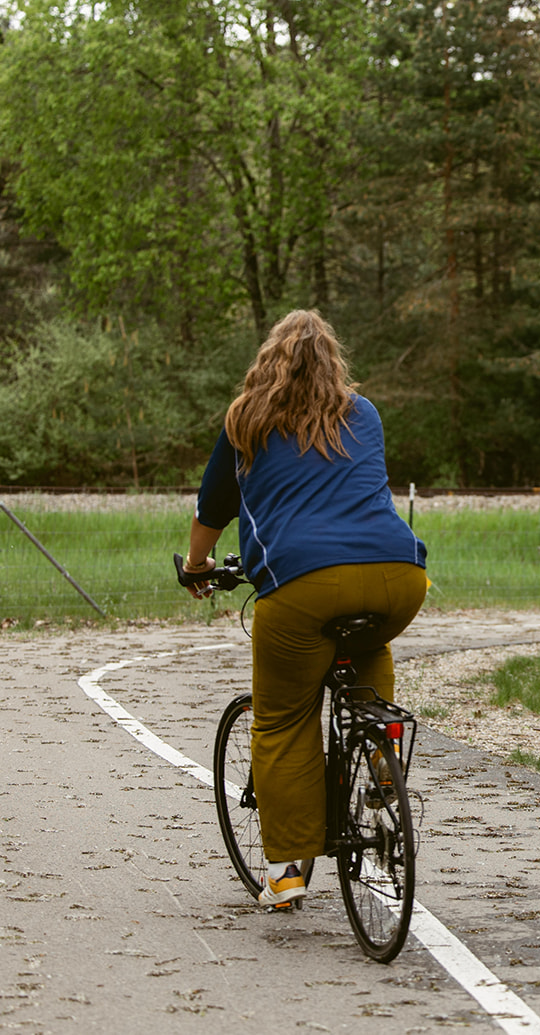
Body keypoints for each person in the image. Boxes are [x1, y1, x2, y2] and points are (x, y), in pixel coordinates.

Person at [181, 309, 428, 907]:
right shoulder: (362, 414)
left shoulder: (247, 419)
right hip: (400, 575)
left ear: (269, 360)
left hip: (301, 584)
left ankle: (287, 872)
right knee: (369, 645)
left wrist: (195, 568)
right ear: (333, 361)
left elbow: (213, 508)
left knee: (285, 721)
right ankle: (381, 751)